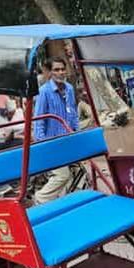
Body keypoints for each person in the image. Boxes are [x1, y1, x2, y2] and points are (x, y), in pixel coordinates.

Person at [33, 57, 79, 204]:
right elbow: (39, 120)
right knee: (62, 175)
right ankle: (40, 199)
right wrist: (43, 143)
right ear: (50, 73)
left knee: (76, 174)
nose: (60, 72)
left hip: (67, 139)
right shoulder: (44, 92)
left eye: (62, 69)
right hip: (51, 142)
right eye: (56, 70)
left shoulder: (69, 89)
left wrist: (77, 132)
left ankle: (64, 203)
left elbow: (73, 113)